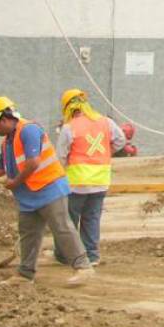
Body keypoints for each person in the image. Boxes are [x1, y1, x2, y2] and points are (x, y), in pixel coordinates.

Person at [0, 95, 94, 286]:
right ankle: (25, 274)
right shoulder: (6, 142)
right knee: (28, 233)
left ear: (3, 119)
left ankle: (83, 267)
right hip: (28, 196)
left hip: (49, 189)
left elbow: (33, 162)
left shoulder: (28, 130)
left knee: (62, 228)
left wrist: (15, 182)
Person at [55, 88, 125, 267]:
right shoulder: (106, 122)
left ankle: (66, 255)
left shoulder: (69, 127)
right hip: (100, 181)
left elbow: (61, 157)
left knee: (69, 220)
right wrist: (106, 152)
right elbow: (120, 141)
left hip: (76, 184)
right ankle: (92, 256)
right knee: (91, 219)